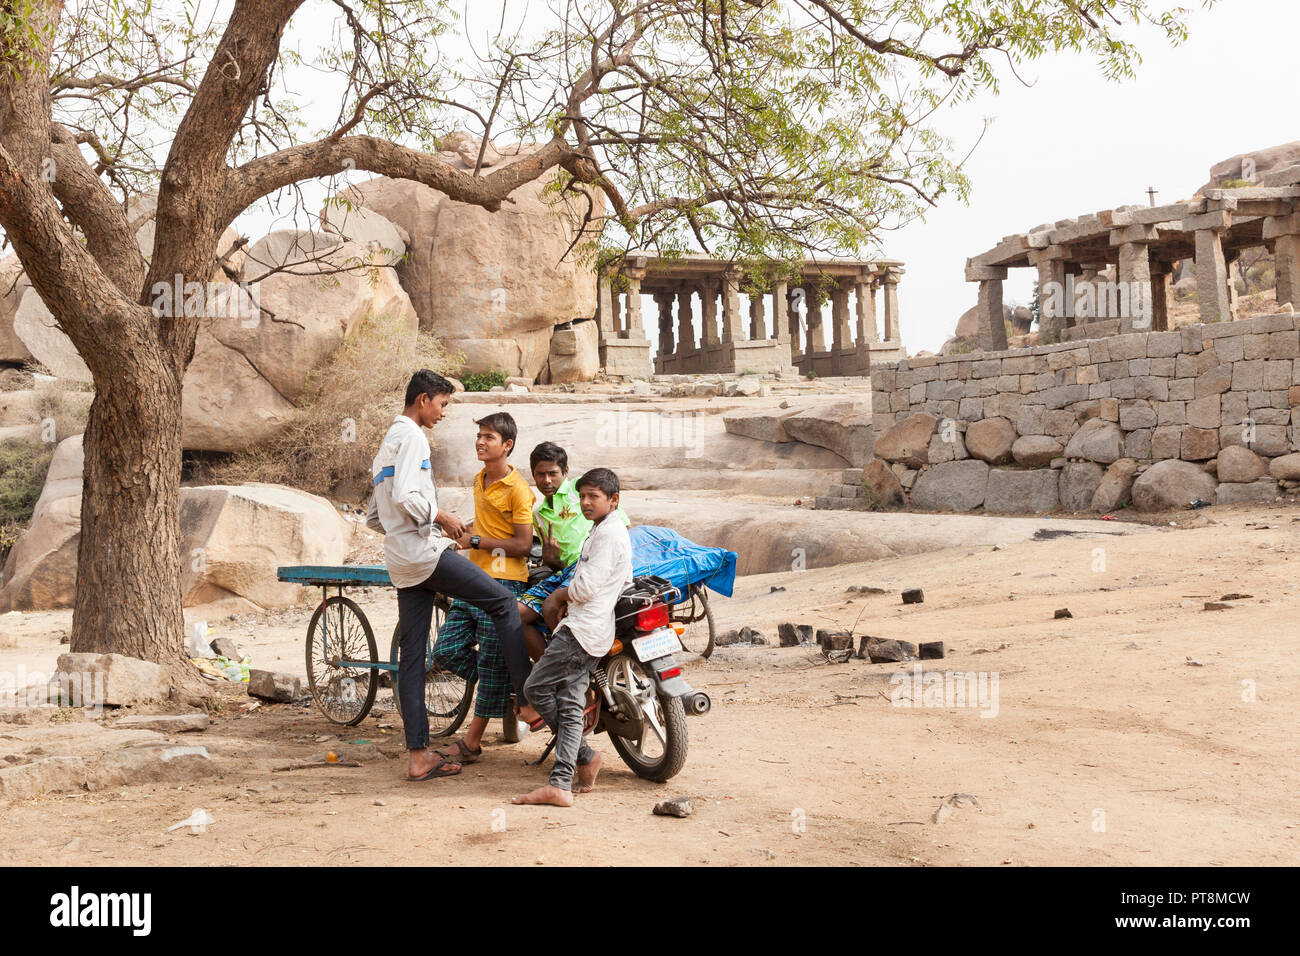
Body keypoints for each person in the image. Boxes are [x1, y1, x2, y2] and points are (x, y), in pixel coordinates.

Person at [365, 371, 537, 782]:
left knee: (411, 658)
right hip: (424, 554)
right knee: (500, 603)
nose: (442, 413)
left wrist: (406, 529)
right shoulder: (412, 438)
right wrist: (440, 518)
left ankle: (419, 756)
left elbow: (375, 516)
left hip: (401, 561)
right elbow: (408, 495)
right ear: (423, 399)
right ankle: (528, 702)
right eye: (442, 404)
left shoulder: (385, 445)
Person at [512, 467, 633, 808]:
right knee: (568, 705)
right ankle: (564, 780)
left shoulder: (609, 535)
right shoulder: (605, 531)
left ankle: (582, 758)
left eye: (594, 496)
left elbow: (585, 586)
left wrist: (561, 596)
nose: (585, 502)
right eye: (582, 496)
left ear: (614, 500)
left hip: (582, 631)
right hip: (591, 628)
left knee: (535, 688)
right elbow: (621, 581)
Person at [430, 412, 536, 765]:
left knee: (491, 660)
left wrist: (474, 539)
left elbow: (521, 544)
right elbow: (488, 527)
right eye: (479, 435)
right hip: (474, 579)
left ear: (507, 445)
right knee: (445, 651)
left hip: (505, 582)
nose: (480, 441)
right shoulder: (480, 480)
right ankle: (503, 684)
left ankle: (472, 742)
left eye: (489, 437)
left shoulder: (519, 490)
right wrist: (461, 535)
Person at [520, 442, 630, 659]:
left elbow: (621, 526)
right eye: (540, 474)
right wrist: (550, 561)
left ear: (566, 472)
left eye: (553, 473)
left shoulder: (581, 490)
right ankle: (552, 669)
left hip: (593, 570)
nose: (547, 480)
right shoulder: (539, 515)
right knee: (516, 615)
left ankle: (566, 669)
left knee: (552, 607)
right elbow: (558, 564)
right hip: (568, 572)